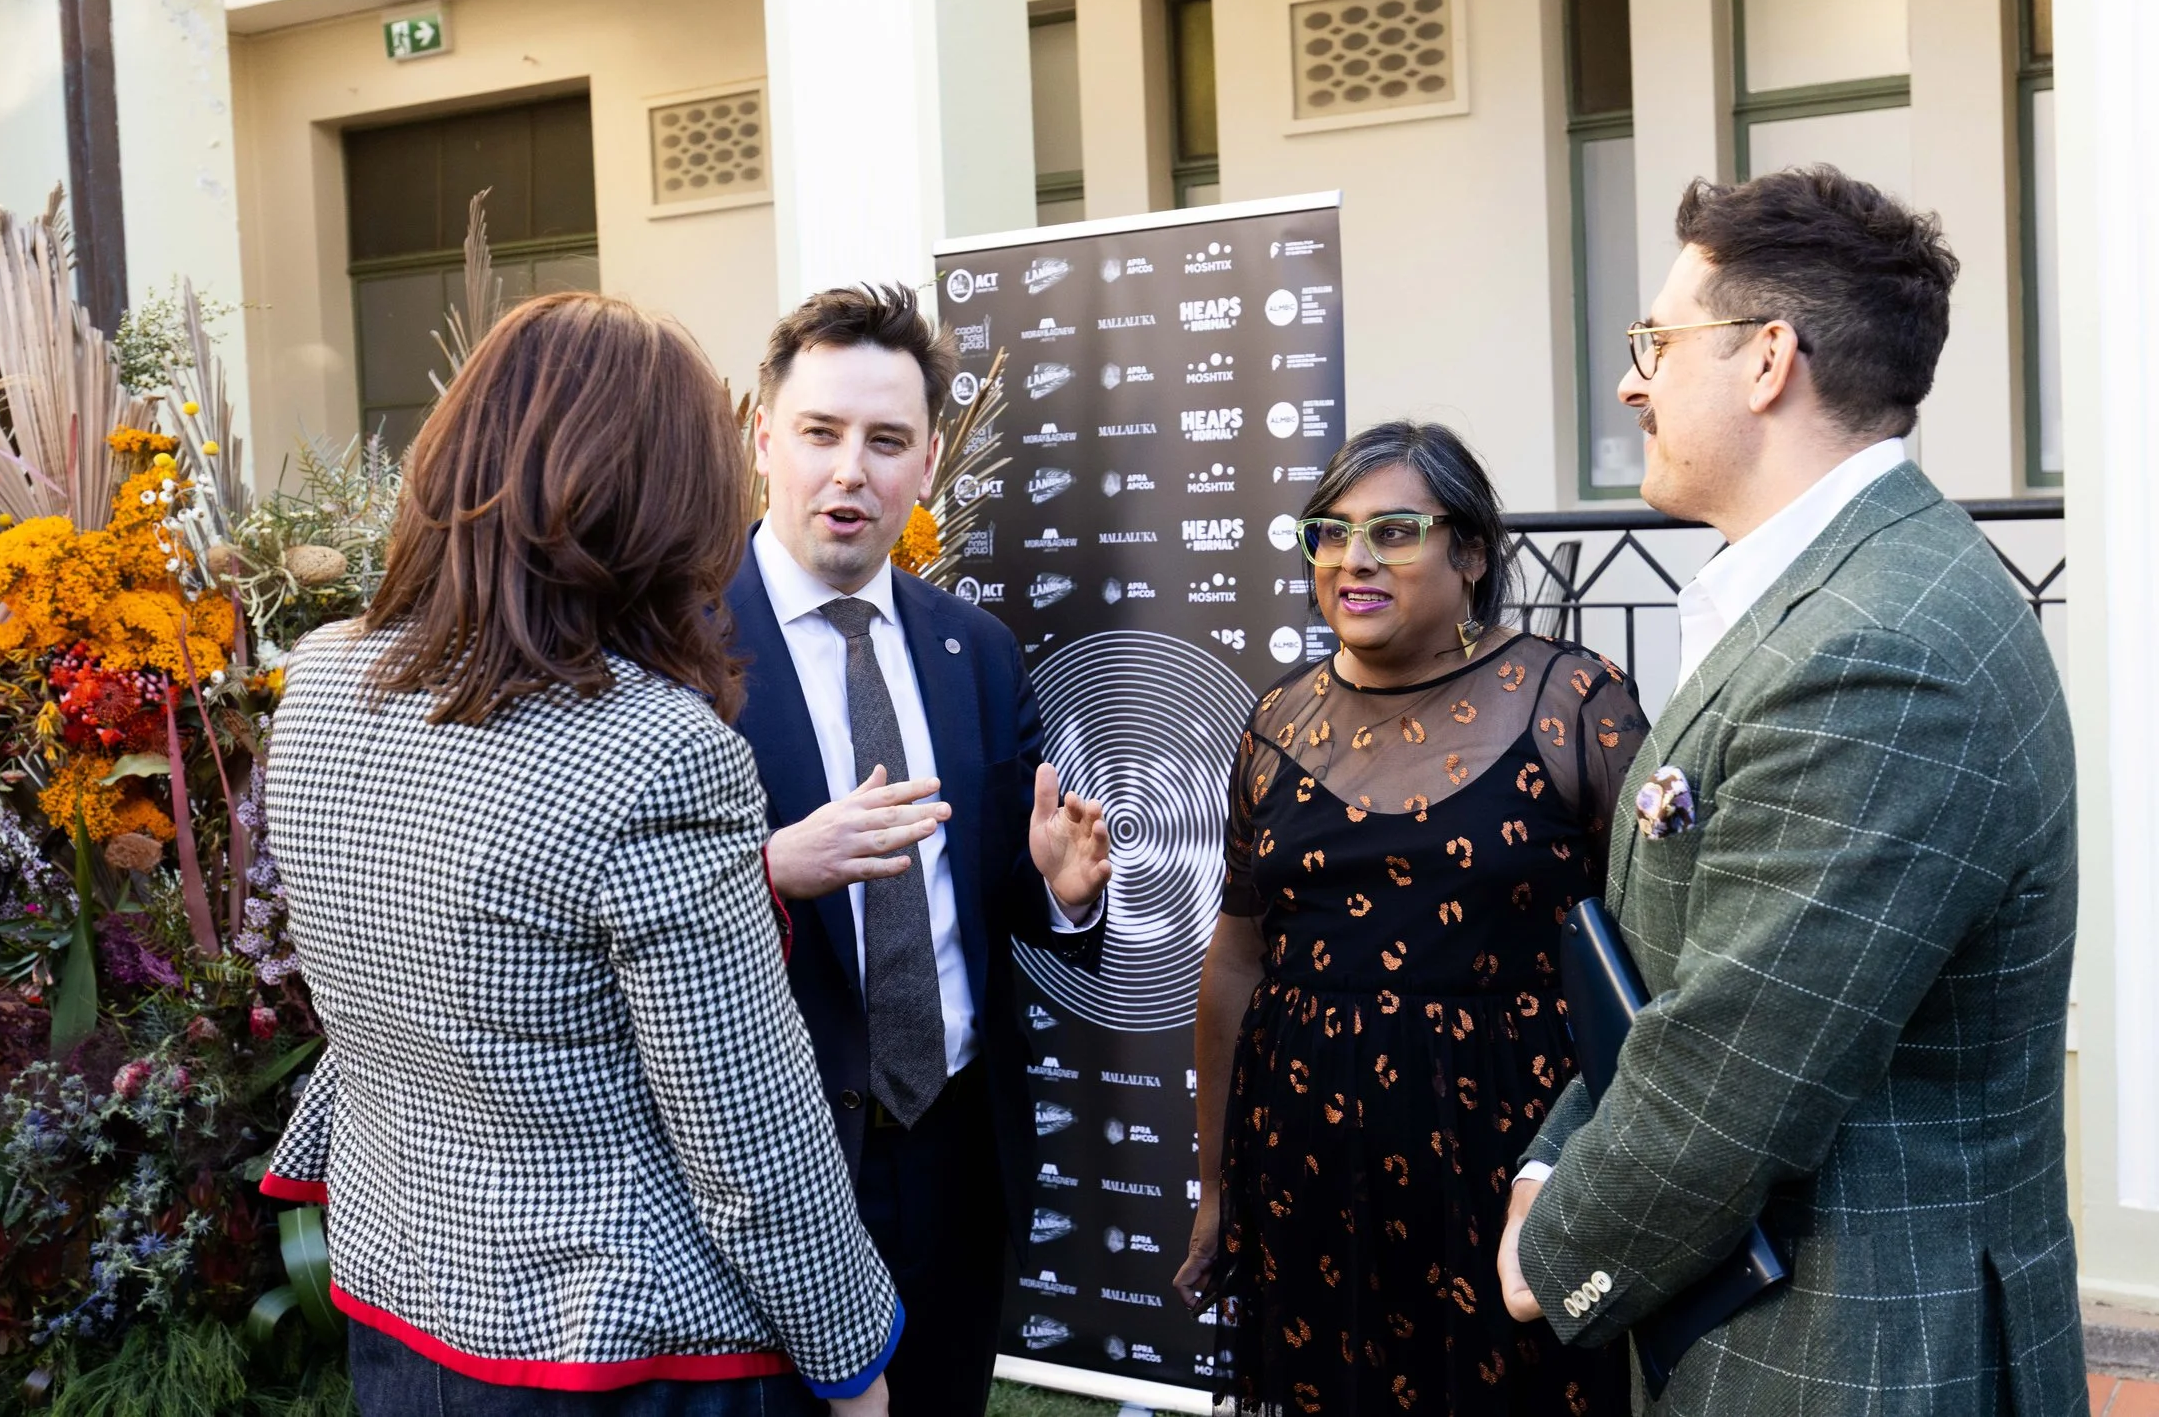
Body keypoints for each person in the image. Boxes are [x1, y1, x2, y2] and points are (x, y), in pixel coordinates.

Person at [1496, 167, 2087, 1413]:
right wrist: (1553, 1153)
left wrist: (1553, 1246)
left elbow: (1734, 1069)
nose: (1632, 382)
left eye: (1657, 341)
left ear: (1767, 359)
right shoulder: (1839, 592)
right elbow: (1682, 974)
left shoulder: (1877, 650)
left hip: (1856, 1351)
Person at [260, 294, 900, 1414]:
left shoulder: (320, 676)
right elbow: (747, 1130)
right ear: (666, 502)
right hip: (619, 1348)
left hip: (403, 1309)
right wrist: (854, 1361)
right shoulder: (658, 749)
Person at [1172, 420, 1646, 1417]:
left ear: (1469, 552)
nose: (1353, 559)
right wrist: (1217, 1185)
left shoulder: (1573, 704)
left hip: (1512, 1154)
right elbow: (1237, 959)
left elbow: (1650, 951)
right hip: (1307, 1160)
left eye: (1393, 531)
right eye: (1330, 532)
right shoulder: (1276, 721)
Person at [729, 282, 1113, 1417]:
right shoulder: (678, 652)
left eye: (886, 440)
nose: (850, 471)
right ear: (763, 438)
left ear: (929, 461)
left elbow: (1000, 895)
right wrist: (771, 866)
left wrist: (1061, 890)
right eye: (820, 432)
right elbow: (615, 900)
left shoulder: (975, 650)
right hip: (773, 1166)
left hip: (955, 1155)